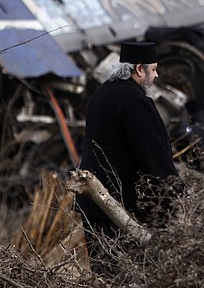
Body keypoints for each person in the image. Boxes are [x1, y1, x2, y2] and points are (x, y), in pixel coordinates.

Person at [75, 41, 180, 243]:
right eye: (154, 69)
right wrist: (173, 193)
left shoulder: (102, 93)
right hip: (117, 207)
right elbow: (152, 154)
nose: (156, 75)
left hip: (93, 200)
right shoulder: (135, 101)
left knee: (103, 270)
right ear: (140, 69)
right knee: (128, 271)